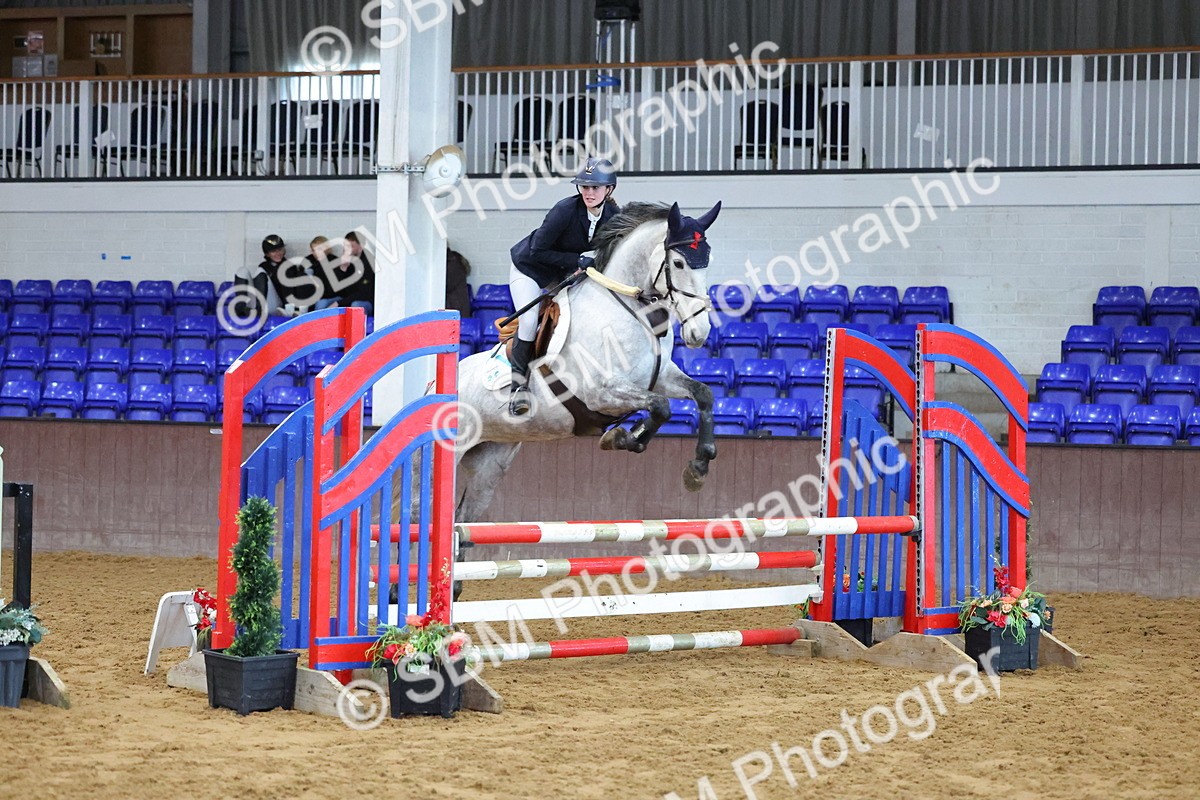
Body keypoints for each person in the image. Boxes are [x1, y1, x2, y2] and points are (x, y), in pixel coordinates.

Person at [506, 157, 619, 416]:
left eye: (595, 188)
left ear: (609, 190)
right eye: (584, 187)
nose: (589, 193)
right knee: (528, 320)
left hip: (565, 273)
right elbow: (538, 250)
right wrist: (577, 260)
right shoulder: (564, 210)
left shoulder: (613, 216)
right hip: (531, 269)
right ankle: (518, 388)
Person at [233, 234, 285, 318]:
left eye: (280, 250)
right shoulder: (264, 266)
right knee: (242, 271)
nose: (278, 253)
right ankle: (241, 307)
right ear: (267, 254)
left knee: (260, 271)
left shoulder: (289, 266)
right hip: (258, 304)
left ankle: (260, 309)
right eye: (273, 251)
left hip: (277, 306)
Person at [334, 231, 376, 314]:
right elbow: (336, 290)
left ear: (360, 247)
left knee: (355, 306)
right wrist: (343, 269)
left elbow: (363, 293)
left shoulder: (369, 263)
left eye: (351, 246)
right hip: (347, 299)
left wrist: (339, 303)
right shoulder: (346, 261)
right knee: (323, 303)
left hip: (365, 301)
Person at [445, 246, 472, 318]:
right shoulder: (455, 261)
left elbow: (445, 285)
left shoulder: (453, 264)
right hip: (455, 310)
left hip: (454, 311)